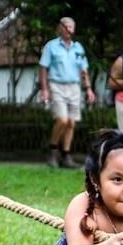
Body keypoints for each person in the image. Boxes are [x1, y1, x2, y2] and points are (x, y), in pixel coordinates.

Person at [39, 17, 96, 169]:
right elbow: (43, 68)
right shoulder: (51, 46)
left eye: (72, 27)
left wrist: (89, 88)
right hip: (56, 85)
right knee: (62, 120)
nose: (69, 29)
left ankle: (66, 155)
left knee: (71, 122)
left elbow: (84, 70)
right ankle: (52, 151)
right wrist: (44, 89)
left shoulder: (79, 48)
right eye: (67, 26)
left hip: (74, 87)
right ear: (60, 28)